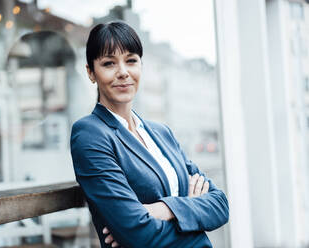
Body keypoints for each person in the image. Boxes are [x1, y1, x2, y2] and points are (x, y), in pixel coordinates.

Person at [70, 21, 229, 248]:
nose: (123, 72)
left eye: (131, 61)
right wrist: (195, 220)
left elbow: (220, 205)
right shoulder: (90, 134)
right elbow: (139, 235)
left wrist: (164, 209)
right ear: (91, 72)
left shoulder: (161, 133)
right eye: (108, 63)